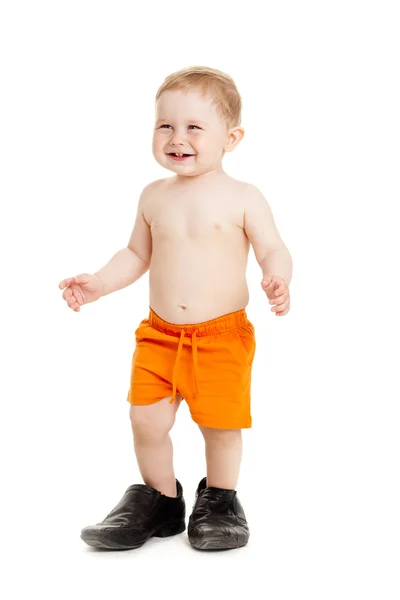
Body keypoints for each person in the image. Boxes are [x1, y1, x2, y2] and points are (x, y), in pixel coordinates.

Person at [59, 65, 293, 551]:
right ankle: (161, 499)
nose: (176, 138)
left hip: (220, 337)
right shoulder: (153, 196)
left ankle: (222, 500)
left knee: (220, 425)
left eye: (193, 127)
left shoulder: (243, 197)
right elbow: (137, 255)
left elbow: (274, 248)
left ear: (232, 138)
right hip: (160, 334)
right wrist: (99, 283)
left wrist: (278, 277)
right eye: (165, 125)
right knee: (145, 419)